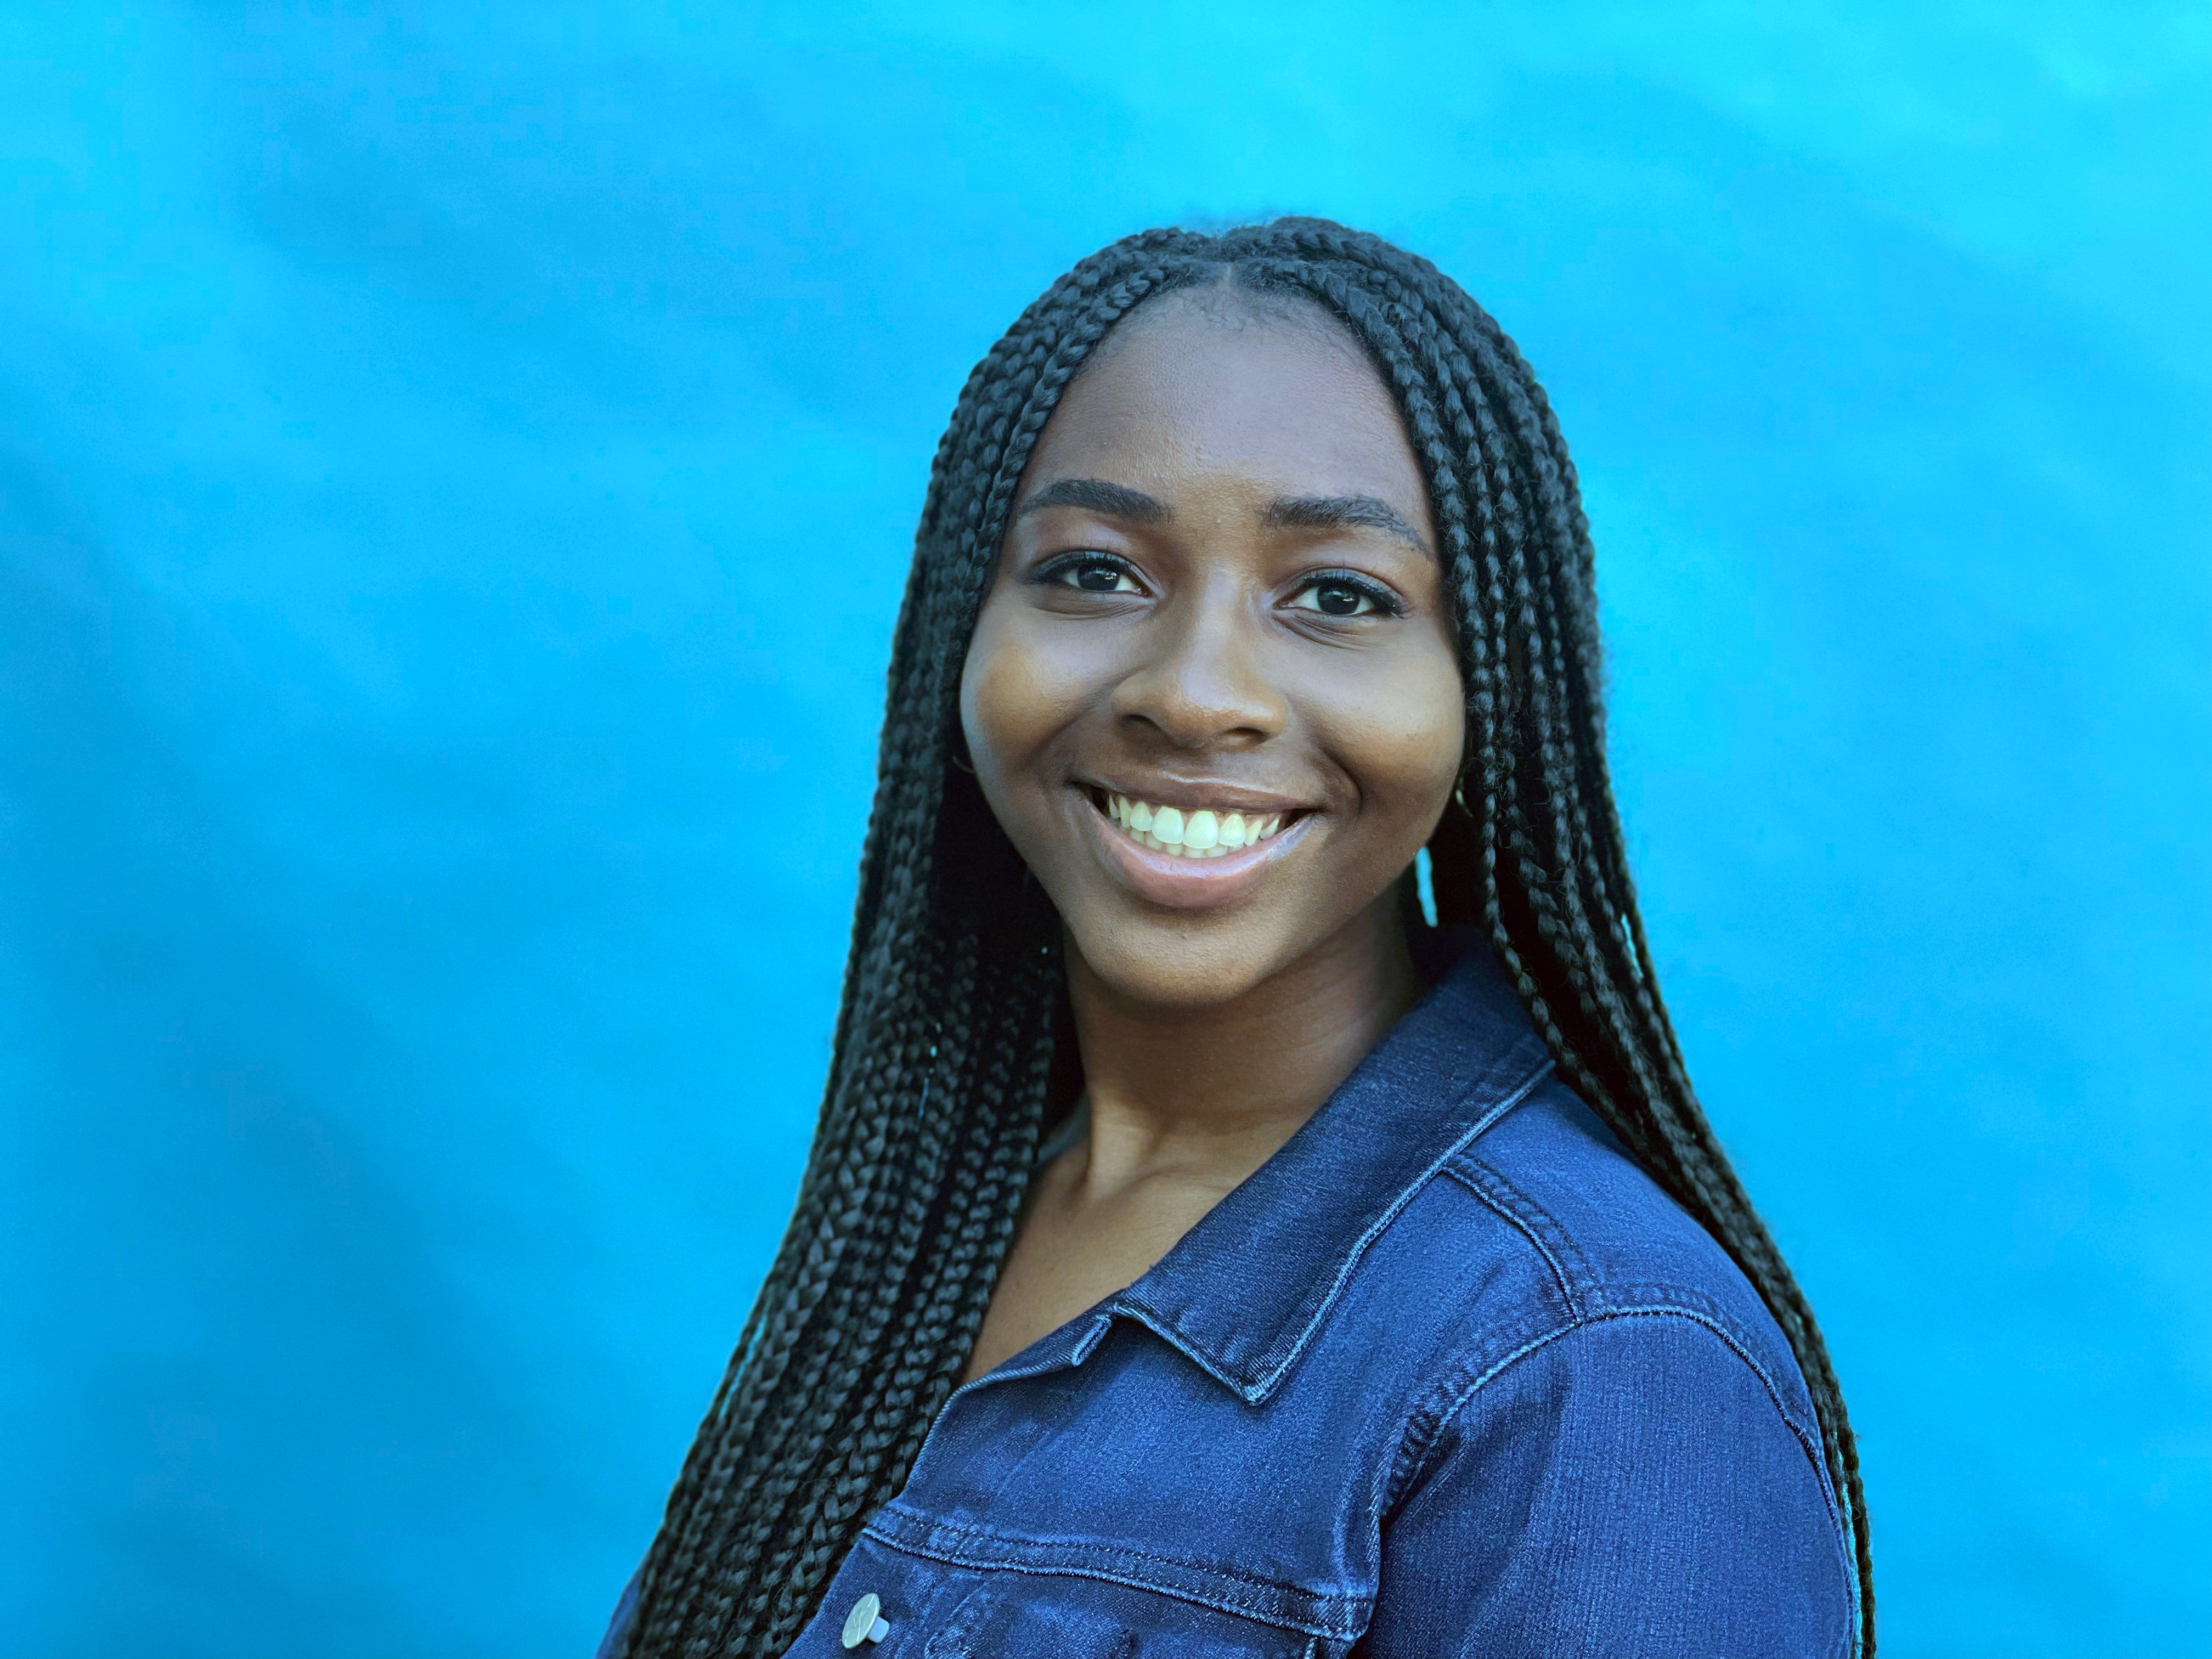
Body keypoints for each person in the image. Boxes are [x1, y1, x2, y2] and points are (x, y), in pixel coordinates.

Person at [599, 219, 1870, 1659]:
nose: (1198, 694)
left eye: (1338, 596)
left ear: (1487, 685)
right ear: (961, 627)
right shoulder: (926, 1220)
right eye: (1095, 573)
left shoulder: (1593, 1356)